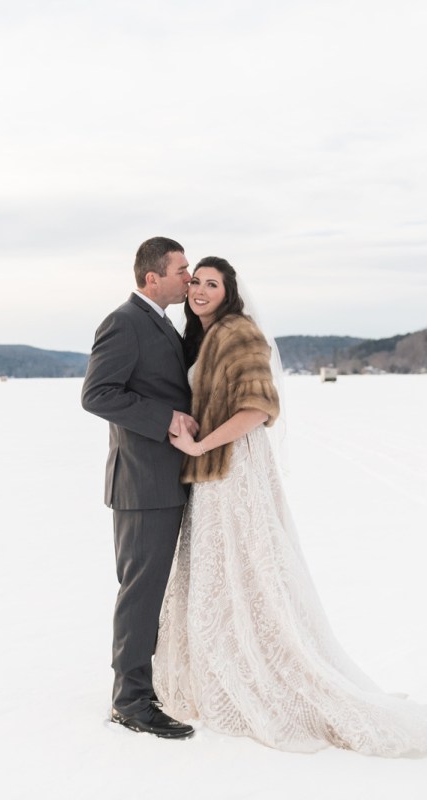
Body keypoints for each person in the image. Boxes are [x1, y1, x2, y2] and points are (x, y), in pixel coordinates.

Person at [153, 255, 427, 756]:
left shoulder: (239, 333)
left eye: (211, 284)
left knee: (248, 564)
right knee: (222, 568)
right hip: (212, 470)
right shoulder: (202, 336)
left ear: (229, 292)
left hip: (233, 467)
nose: (198, 290)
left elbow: (259, 408)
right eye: (194, 282)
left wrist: (201, 444)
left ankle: (268, 668)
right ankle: (222, 656)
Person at [81, 236, 197, 739]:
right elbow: (97, 394)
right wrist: (165, 418)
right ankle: (130, 701)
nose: (188, 279)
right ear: (152, 277)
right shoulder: (124, 322)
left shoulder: (163, 323)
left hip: (169, 479)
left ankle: (147, 687)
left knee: (154, 593)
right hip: (142, 483)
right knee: (140, 593)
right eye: (181, 270)